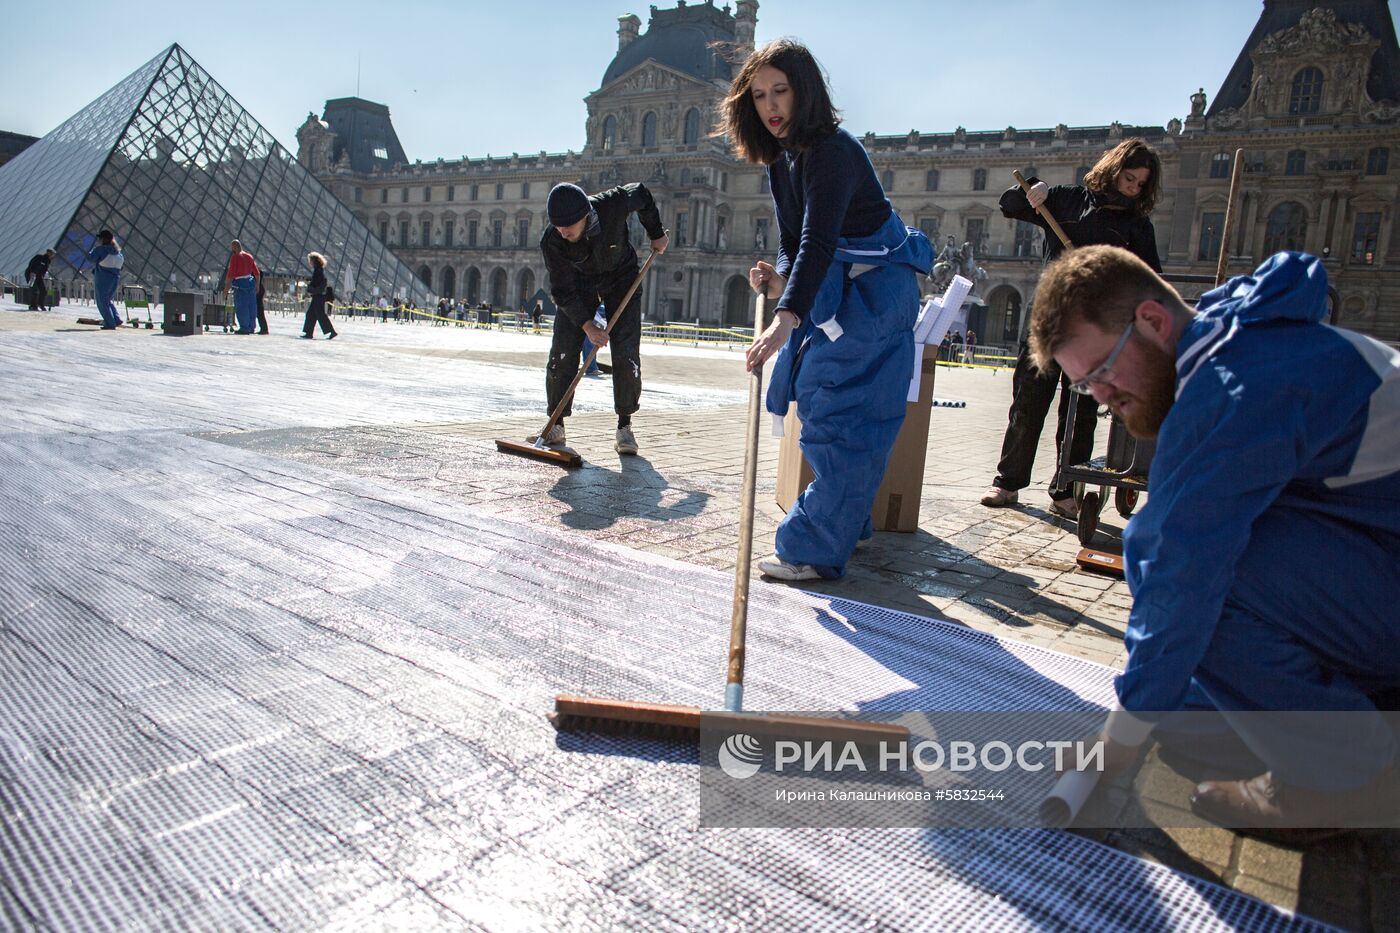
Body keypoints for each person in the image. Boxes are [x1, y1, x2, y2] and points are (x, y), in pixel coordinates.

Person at [1033, 245, 1400, 838]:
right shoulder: (1240, 338)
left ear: (1151, 321)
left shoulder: (1232, 384)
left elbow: (1181, 568)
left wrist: (1116, 744)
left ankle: (1349, 776)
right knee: (1177, 714)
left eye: (1101, 371)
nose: (1101, 397)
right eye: (1084, 387)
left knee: (1193, 576)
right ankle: (1358, 719)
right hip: (1377, 556)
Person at [725, 39, 932, 582]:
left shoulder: (832, 151)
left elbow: (819, 238)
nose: (771, 106)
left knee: (835, 406)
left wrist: (785, 317)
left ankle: (813, 548)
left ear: (805, 91)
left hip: (874, 295)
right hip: (846, 293)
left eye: (781, 91)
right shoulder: (782, 160)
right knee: (829, 407)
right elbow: (793, 243)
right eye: (760, 94)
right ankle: (847, 522)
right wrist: (778, 280)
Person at [981, 138, 1163, 519]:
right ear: (1113, 171)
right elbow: (1009, 204)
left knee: (1080, 412)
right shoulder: (1066, 200)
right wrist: (1033, 188)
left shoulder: (1136, 226)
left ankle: (1066, 488)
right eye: (1128, 178)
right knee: (1028, 402)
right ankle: (1008, 482)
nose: (1133, 188)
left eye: (1140, 184)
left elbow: (1151, 280)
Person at [538, 180, 668, 454]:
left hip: (621, 277)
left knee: (626, 351)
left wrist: (656, 233)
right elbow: (561, 291)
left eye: (568, 227)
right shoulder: (552, 240)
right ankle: (556, 424)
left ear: (585, 214)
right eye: (558, 226)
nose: (563, 232)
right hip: (579, 283)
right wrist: (587, 326)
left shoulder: (612, 202)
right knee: (562, 351)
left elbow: (642, 193)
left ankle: (625, 427)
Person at [85, 233, 123, 329]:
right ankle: (116, 319)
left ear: (103, 239)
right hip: (115, 277)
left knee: (102, 301)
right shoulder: (118, 251)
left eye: (99, 238)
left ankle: (110, 323)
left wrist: (91, 251)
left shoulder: (101, 249)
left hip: (103, 277)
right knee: (107, 300)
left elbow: (90, 258)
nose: (98, 240)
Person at [224, 239, 260, 335]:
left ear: (234, 246)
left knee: (241, 307)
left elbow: (230, 275)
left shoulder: (235, 257)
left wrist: (226, 290)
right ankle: (251, 327)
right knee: (251, 306)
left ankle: (244, 328)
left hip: (240, 285)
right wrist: (257, 285)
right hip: (250, 284)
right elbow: (257, 273)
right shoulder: (249, 256)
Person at [300, 252, 338, 340]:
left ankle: (332, 331)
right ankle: (309, 332)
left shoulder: (318, 270)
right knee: (311, 314)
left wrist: (311, 287)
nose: (309, 262)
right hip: (318, 295)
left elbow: (321, 282)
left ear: (314, 261)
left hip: (318, 295)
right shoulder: (318, 269)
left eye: (310, 260)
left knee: (320, 315)